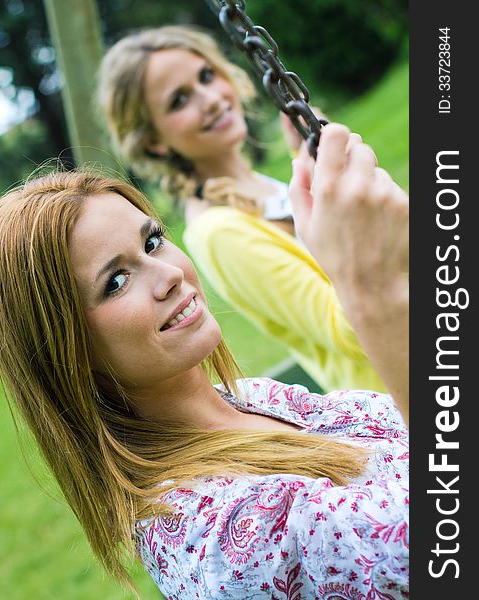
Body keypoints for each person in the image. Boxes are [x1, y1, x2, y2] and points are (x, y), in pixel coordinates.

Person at [0, 124, 408, 599]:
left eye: (152, 241)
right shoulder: (213, 535)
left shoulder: (254, 400)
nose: (168, 274)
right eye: (116, 282)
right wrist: (375, 294)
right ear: (67, 353)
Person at [97, 25, 388, 393]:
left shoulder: (260, 186)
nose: (211, 99)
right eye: (180, 100)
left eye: (206, 76)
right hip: (392, 392)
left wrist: (313, 168)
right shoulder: (218, 232)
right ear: (154, 140)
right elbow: (350, 331)